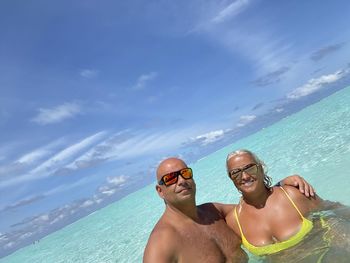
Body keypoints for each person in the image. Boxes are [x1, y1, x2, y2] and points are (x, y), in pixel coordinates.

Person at [143, 157, 315, 263]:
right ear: (160, 191)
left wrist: (280, 186)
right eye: (171, 178)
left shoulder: (213, 212)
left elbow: (255, 208)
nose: (181, 181)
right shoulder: (161, 243)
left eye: (185, 173)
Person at [224, 149, 326, 259]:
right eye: (236, 173)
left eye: (250, 168)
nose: (244, 176)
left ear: (261, 168)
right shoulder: (233, 222)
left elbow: (335, 210)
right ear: (231, 179)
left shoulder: (293, 194)